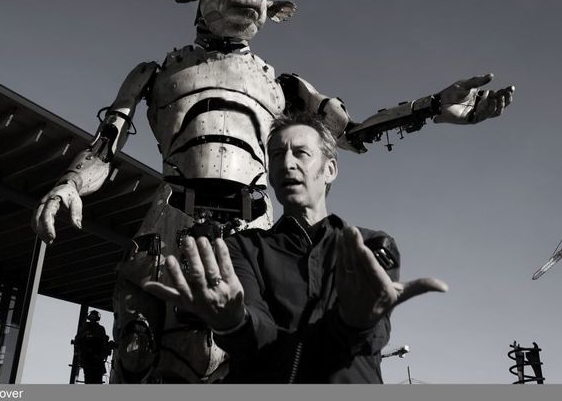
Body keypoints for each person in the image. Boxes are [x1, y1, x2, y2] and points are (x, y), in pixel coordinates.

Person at [143, 112, 448, 383]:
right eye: (276, 155)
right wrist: (233, 324)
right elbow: (257, 338)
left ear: (330, 170)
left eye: (301, 153)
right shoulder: (240, 249)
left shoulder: (371, 246)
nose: (286, 163)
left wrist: (359, 322)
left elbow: (374, 338)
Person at [73, 310, 111, 384]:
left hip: (98, 358)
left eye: (94, 316)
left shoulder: (101, 329)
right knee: (89, 378)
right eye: (92, 316)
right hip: (88, 357)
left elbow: (104, 341)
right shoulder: (85, 327)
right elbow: (77, 339)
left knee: (97, 378)